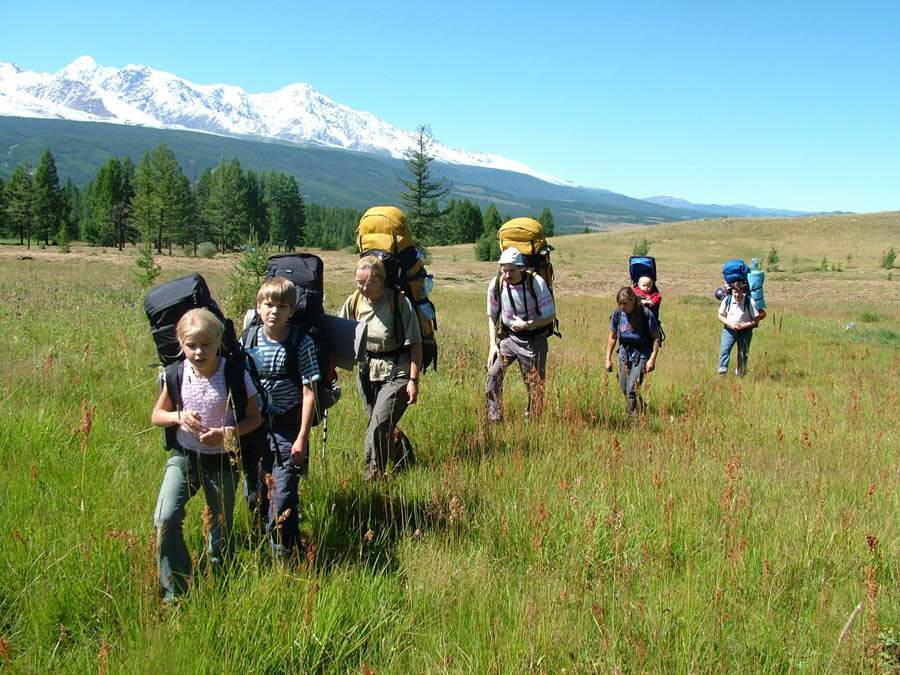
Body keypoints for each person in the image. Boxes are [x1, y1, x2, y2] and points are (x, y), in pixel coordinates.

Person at [152, 308, 262, 604]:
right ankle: (176, 591)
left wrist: (224, 434)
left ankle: (222, 587)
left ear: (218, 341)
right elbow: (157, 415)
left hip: (223, 460)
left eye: (206, 344)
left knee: (219, 529)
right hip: (185, 456)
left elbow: (255, 419)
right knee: (165, 518)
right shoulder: (175, 374)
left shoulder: (234, 373)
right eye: (191, 345)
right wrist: (178, 416)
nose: (199, 352)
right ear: (180, 344)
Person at [245, 277, 320, 561]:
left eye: (281, 306)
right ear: (258, 307)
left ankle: (286, 558)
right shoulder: (248, 339)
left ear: (291, 311)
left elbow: (309, 393)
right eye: (268, 304)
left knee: (283, 496)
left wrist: (302, 438)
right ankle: (263, 543)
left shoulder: (302, 342)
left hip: (289, 430)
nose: (274, 311)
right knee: (255, 495)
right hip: (254, 430)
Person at [339, 256, 422, 480]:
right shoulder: (355, 301)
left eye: (370, 283)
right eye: (359, 283)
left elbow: (415, 343)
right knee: (378, 423)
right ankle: (403, 457)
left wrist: (413, 381)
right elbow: (340, 332)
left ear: (382, 280)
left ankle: (373, 476)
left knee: (377, 426)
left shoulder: (399, 302)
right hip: (367, 372)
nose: (364, 288)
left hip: (398, 372)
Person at [485, 248, 556, 422]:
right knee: (493, 374)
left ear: (521, 268)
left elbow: (550, 315)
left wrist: (528, 324)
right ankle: (495, 417)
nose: (507, 274)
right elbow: (492, 316)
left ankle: (533, 419)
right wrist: (493, 344)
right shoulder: (497, 284)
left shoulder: (536, 283)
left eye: (511, 270)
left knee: (534, 383)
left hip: (534, 339)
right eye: (504, 269)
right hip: (508, 339)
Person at [604, 287, 660, 415]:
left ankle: (632, 418)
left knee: (631, 389)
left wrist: (652, 358)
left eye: (625, 304)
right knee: (624, 388)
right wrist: (608, 359)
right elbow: (612, 337)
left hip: (642, 353)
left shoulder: (645, 314)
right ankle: (643, 408)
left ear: (633, 300)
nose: (622, 306)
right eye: (619, 304)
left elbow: (656, 337)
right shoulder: (617, 314)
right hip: (624, 353)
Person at [717, 279, 761, 377]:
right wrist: (731, 325)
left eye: (739, 292)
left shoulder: (750, 301)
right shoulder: (727, 300)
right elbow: (720, 316)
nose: (737, 295)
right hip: (729, 330)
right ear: (732, 291)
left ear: (743, 291)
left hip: (745, 331)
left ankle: (741, 374)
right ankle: (722, 373)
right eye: (735, 292)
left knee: (742, 353)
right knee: (724, 351)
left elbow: (756, 320)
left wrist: (743, 326)